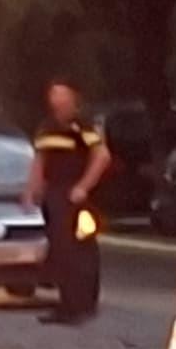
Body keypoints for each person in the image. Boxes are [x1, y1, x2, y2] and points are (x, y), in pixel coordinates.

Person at [31, 79, 112, 325]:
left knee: (80, 252)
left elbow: (102, 156)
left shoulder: (82, 125)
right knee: (61, 250)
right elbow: (40, 160)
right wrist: (33, 189)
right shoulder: (47, 127)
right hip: (54, 194)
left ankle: (82, 305)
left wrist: (83, 187)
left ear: (73, 98)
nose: (58, 99)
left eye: (62, 94)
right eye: (54, 94)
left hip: (76, 197)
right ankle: (66, 305)